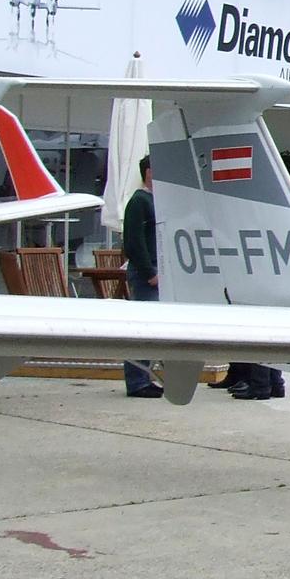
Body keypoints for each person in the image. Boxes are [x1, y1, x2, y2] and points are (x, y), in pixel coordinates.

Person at [221, 150, 290, 401]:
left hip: (261, 276)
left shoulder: (266, 209)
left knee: (259, 333)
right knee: (274, 333)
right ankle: (275, 383)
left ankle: (261, 386)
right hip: (283, 277)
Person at [121, 155, 161, 399]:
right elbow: (133, 242)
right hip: (147, 273)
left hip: (156, 271)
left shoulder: (156, 200)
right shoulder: (139, 201)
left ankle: (144, 377)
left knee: (151, 327)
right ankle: (137, 381)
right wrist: (149, 273)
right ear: (149, 171)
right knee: (142, 327)